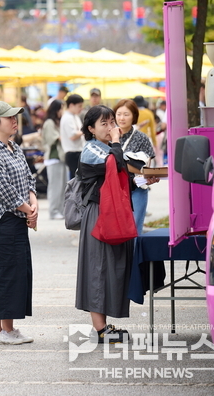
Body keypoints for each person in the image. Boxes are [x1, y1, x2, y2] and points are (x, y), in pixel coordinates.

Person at [0, 101, 37, 346]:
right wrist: (28, 209)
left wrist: (33, 202)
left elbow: (27, 177)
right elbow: (3, 189)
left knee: (17, 274)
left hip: (18, 217)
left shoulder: (13, 147)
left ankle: (9, 328)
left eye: (15, 117)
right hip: (1, 220)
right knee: (2, 274)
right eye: (9, 118)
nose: (14, 121)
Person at [76, 105, 133, 344]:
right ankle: (100, 330)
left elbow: (124, 171)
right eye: (104, 124)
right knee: (98, 269)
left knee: (109, 267)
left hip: (108, 213)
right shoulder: (92, 150)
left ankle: (103, 326)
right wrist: (118, 141)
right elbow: (117, 162)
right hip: (98, 214)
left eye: (112, 122)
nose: (111, 127)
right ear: (90, 129)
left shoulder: (104, 147)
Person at [113, 99, 160, 233]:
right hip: (114, 189)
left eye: (126, 114)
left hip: (136, 189)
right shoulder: (108, 136)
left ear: (134, 116)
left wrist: (149, 176)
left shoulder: (142, 137)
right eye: (119, 114)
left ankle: (133, 254)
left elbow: (146, 167)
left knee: (134, 229)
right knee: (116, 230)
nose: (122, 118)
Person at [42, 99, 66, 220]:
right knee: (55, 186)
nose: (62, 111)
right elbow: (51, 139)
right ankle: (53, 210)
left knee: (62, 186)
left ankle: (60, 210)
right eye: (61, 109)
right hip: (53, 157)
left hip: (61, 158)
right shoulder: (49, 123)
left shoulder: (57, 122)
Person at [60, 94, 85, 179]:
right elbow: (73, 136)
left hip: (77, 151)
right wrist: (85, 131)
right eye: (79, 106)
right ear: (71, 105)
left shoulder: (74, 116)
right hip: (73, 153)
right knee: (76, 179)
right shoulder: (67, 118)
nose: (81, 108)